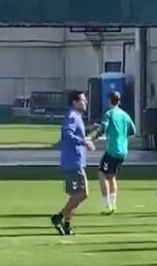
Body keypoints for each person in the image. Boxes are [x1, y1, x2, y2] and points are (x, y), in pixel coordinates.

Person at [51, 91, 95, 236]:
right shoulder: (71, 116)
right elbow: (68, 134)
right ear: (75, 102)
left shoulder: (77, 116)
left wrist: (87, 136)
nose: (85, 102)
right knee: (83, 194)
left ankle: (67, 225)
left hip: (76, 160)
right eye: (83, 100)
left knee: (75, 196)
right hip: (73, 162)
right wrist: (84, 142)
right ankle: (59, 217)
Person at [89, 92, 136, 215]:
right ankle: (113, 204)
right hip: (122, 150)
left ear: (110, 101)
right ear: (119, 101)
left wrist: (92, 137)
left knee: (102, 174)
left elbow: (103, 128)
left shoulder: (109, 114)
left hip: (112, 149)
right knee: (112, 175)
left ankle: (106, 204)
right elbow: (133, 130)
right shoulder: (125, 115)